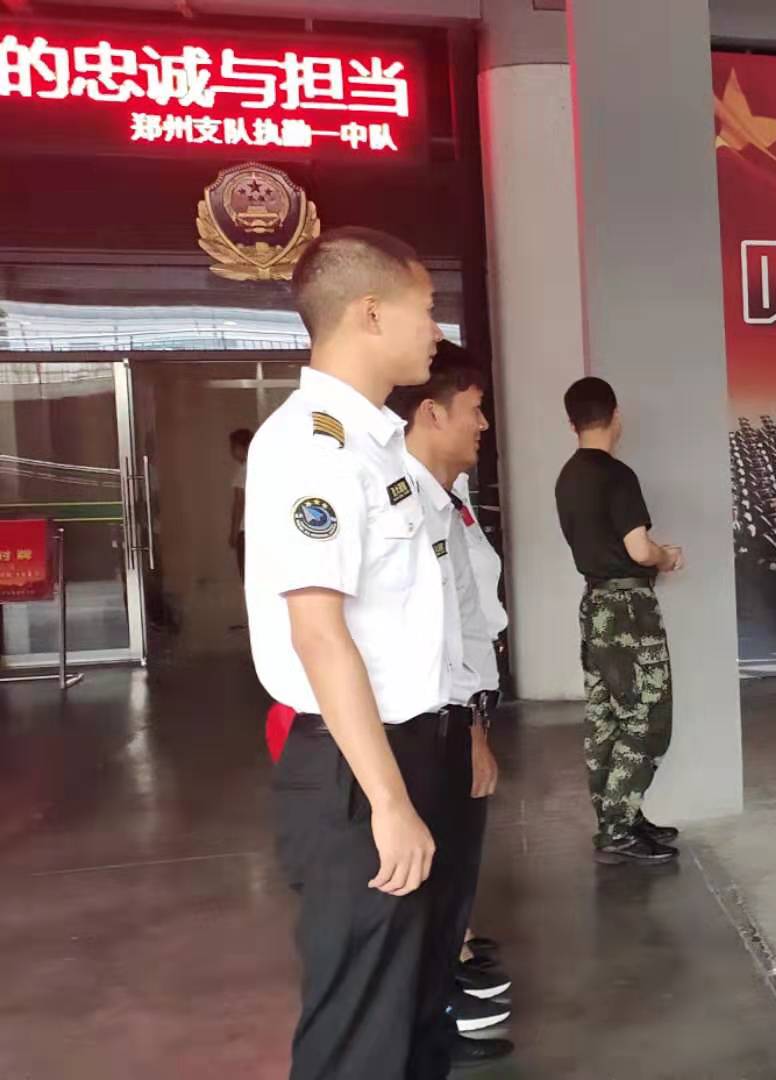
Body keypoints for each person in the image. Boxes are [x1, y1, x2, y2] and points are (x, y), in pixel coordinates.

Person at [246, 226, 458, 1078]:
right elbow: (318, 632)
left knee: (413, 1006)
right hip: (356, 770)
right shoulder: (313, 447)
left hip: (405, 750)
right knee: (361, 1026)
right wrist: (389, 801)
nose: (437, 329)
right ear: (370, 312)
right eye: (427, 309)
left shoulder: (378, 446)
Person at [386, 355, 516, 1066]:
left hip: (459, 705)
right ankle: (430, 1013)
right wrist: (467, 726)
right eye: (474, 408)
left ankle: (440, 999)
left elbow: (470, 614)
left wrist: (476, 720)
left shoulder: (447, 496)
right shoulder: (398, 499)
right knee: (424, 880)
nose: (484, 423)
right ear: (431, 414)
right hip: (422, 718)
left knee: (451, 874)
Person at [554, 377, 685, 867]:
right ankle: (618, 828)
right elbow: (638, 549)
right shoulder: (617, 475)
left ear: (572, 422)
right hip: (629, 608)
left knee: (606, 715)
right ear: (616, 415)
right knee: (647, 717)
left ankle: (621, 816)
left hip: (595, 604)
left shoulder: (568, 476)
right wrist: (666, 556)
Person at [229, 428, 253, 577]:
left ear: (240, 447)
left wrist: (233, 533)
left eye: (233, 447)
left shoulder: (244, 471)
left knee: (247, 575)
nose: (231, 452)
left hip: (246, 531)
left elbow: (239, 504)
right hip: (262, 531)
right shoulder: (262, 467)